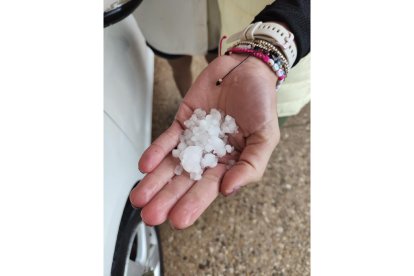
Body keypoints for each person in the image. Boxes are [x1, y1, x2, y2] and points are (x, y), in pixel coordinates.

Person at [130, 0, 310, 229]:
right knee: (198, 63)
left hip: (291, 56)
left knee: (269, 120)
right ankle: (186, 96)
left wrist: (272, 44)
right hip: (237, 28)